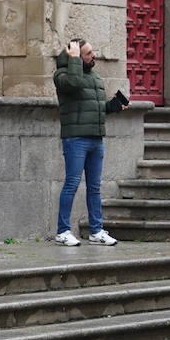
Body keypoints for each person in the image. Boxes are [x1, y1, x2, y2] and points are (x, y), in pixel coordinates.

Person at [54, 38, 128, 246]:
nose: (93, 56)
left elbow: (94, 107)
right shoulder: (62, 75)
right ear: (75, 56)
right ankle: (62, 231)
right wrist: (74, 59)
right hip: (75, 139)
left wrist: (113, 106)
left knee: (95, 187)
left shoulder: (94, 76)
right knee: (71, 184)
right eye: (87, 54)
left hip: (96, 138)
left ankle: (96, 231)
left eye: (91, 52)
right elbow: (74, 83)